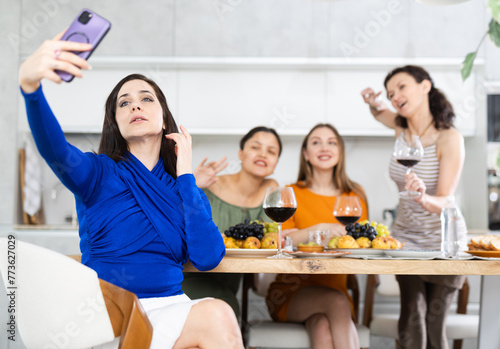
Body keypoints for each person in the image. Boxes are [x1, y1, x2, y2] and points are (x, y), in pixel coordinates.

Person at [19, 30, 243, 349]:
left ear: (165, 120)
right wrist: (31, 89)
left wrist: (185, 175)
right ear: (116, 123)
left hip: (172, 307)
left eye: (146, 99)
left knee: (218, 315)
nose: (135, 105)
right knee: (218, 315)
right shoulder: (96, 173)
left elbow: (207, 258)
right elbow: (54, 149)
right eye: (124, 103)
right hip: (109, 313)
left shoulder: (184, 189)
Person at [361, 65, 467, 349]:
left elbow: (445, 200)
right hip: (406, 239)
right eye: (390, 93)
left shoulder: (449, 138)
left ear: (425, 86)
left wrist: (422, 197)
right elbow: (378, 112)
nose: (394, 96)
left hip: (444, 241)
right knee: (412, 316)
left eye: (401, 87)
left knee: (434, 324)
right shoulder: (401, 126)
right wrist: (373, 102)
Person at [266, 123, 368, 349]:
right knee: (336, 302)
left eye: (331, 142)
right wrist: (319, 228)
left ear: (340, 151)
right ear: (305, 154)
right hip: (290, 293)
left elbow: (360, 246)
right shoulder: (290, 194)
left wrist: (303, 235)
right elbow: (282, 241)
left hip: (336, 290)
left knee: (322, 326)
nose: (324, 147)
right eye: (316, 142)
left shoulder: (354, 197)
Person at [183, 126, 282, 319]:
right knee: (225, 314)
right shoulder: (210, 183)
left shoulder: (270, 193)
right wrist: (192, 185)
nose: (263, 154)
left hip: (227, 286)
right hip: (190, 277)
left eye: (271, 151)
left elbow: (271, 239)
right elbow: (170, 222)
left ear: (276, 162)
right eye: (256, 147)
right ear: (241, 153)